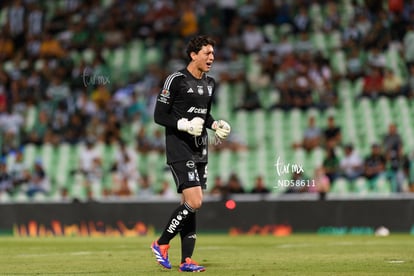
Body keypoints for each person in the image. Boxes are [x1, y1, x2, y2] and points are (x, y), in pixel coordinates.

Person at [151, 35, 231, 272]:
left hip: (200, 149)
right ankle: (161, 243)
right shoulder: (175, 80)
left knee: (189, 205)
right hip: (179, 147)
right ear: (193, 55)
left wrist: (215, 125)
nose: (212, 58)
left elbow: (204, 115)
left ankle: (186, 260)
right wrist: (183, 125)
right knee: (195, 201)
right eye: (207, 53)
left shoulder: (210, 83)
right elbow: (159, 115)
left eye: (213, 53)